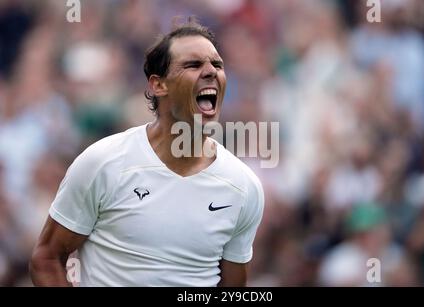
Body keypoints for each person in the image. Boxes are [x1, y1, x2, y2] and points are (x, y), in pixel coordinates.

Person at [29, 18, 264, 287]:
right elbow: (47, 259)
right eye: (193, 65)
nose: (211, 71)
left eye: (217, 64)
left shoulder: (243, 187)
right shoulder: (102, 162)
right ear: (158, 85)